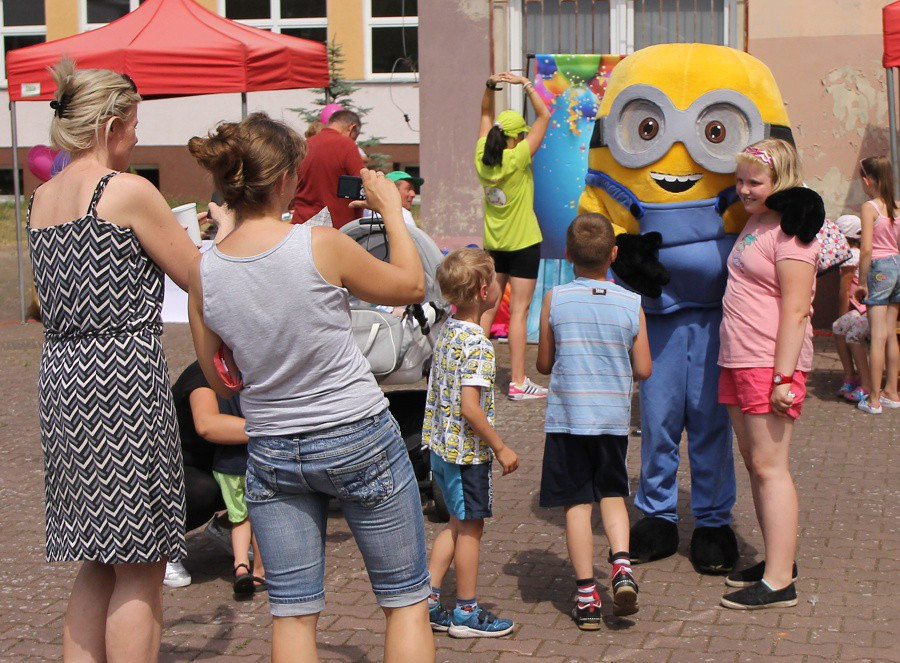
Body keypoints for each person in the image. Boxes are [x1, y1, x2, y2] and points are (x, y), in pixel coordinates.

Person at [186, 113, 434, 662]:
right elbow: (413, 284)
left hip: (273, 445)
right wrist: (392, 211)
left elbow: (215, 375)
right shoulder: (319, 244)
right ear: (284, 181)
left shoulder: (203, 272)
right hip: (356, 431)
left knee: (293, 613)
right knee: (406, 601)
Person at [27, 60, 213, 661]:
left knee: (97, 559)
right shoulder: (127, 190)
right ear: (109, 124)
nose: (137, 134)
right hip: (122, 378)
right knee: (140, 564)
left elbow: (39, 299)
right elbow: (199, 276)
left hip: (63, 378)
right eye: (133, 123)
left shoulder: (42, 197)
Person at [717, 139, 821, 610]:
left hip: (769, 363)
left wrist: (783, 378)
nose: (743, 189)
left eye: (753, 182)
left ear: (781, 180)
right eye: (739, 181)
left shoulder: (795, 233)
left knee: (770, 467)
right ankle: (780, 561)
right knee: (756, 464)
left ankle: (781, 582)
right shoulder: (759, 222)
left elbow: (797, 310)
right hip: (739, 357)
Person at [536, 213, 651, 629]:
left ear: (567, 254)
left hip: (568, 419)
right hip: (611, 419)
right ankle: (621, 566)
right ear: (614, 254)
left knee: (577, 504)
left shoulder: (555, 299)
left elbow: (544, 364)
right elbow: (644, 368)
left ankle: (587, 598)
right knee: (613, 493)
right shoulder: (631, 302)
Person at [423, 248, 519, 638]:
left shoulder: (447, 329)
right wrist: (500, 447)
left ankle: (427, 600)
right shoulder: (479, 345)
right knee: (471, 528)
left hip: (441, 449)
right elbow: (471, 408)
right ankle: (466, 611)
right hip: (466, 455)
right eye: (494, 279)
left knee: (456, 522)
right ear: (484, 291)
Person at [475, 72, 551, 400]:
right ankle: (518, 382)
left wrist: (490, 85)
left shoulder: (482, 156)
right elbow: (545, 115)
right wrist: (526, 85)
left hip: (493, 247)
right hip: (522, 245)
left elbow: (484, 115)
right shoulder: (518, 157)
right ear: (517, 137)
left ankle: (473, 377)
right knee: (518, 312)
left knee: (486, 311)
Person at [168, 361, 265, 597]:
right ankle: (164, 549)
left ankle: (225, 528)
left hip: (225, 461)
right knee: (208, 490)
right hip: (179, 469)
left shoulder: (255, 364)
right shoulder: (203, 373)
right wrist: (277, 429)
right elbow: (208, 425)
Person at [855, 156, 900, 414]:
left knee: (877, 336)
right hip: (897, 266)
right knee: (891, 334)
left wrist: (862, 282)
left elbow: (867, 249)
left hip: (880, 270)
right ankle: (892, 392)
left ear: (867, 179)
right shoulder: (896, 205)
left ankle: (873, 399)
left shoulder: (869, 207)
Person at [290, 109, 366, 228]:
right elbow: (362, 186)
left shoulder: (305, 145)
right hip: (337, 228)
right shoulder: (347, 145)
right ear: (352, 128)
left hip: (302, 225)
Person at [830, 215, 872, 403]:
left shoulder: (850, 256)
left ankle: (862, 381)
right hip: (863, 308)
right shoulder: (860, 252)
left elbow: (845, 290)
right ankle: (851, 377)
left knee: (849, 332)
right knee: (839, 327)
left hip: (865, 309)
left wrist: (842, 313)